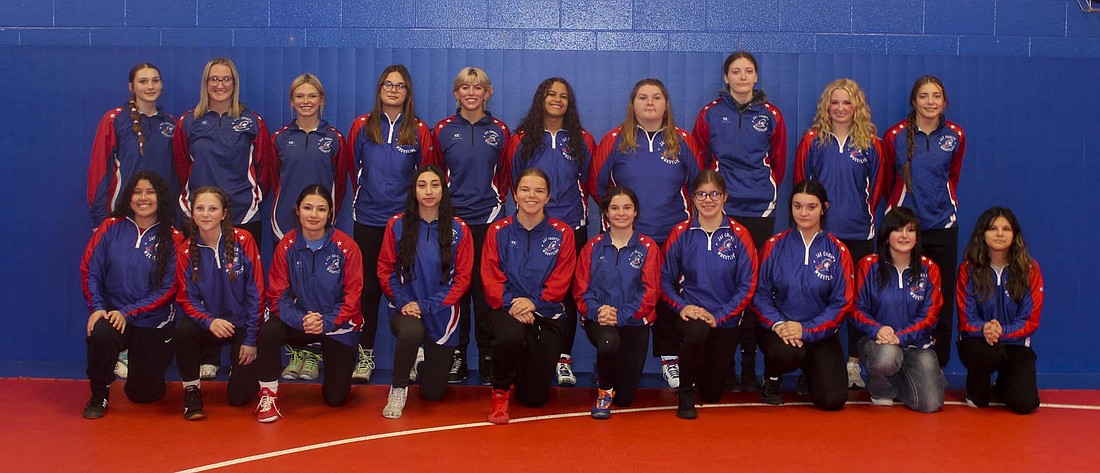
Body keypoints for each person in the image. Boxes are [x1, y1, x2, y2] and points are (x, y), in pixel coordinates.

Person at [589, 77, 704, 389]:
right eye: (643, 97)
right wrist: (622, 221)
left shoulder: (682, 140)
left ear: (666, 103)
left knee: (668, 297)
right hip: (627, 239)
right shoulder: (614, 139)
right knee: (625, 296)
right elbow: (597, 187)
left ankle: (669, 359)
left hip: (671, 235)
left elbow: (700, 185)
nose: (650, 103)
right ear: (633, 104)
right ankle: (613, 358)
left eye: (656, 97)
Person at [692, 51, 787, 392]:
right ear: (726, 78)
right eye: (736, 71)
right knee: (724, 285)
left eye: (749, 71)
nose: (743, 77)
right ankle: (725, 364)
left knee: (754, 286)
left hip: (760, 209)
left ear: (756, 77)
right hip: (722, 211)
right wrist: (715, 199)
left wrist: (763, 190)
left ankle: (750, 365)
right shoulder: (710, 114)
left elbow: (778, 164)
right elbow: (701, 161)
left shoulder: (772, 115)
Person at [174, 57, 274, 380]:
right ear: (205, 84)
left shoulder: (251, 121)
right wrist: (198, 208)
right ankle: (209, 353)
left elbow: (266, 169)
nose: (220, 85)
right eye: (213, 79)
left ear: (235, 83)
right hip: (198, 217)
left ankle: (241, 352)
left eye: (226, 79)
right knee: (204, 286)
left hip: (244, 215)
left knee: (239, 287)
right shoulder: (189, 121)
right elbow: (181, 166)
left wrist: (250, 199)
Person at [347, 64, 441, 382]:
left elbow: (425, 178)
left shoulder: (418, 129)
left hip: (404, 224)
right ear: (379, 89)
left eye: (400, 86)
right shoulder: (362, 126)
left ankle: (416, 354)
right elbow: (352, 169)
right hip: (369, 220)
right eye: (388, 84)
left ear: (408, 92)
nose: (393, 90)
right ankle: (365, 354)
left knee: (411, 286)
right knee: (370, 290)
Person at [86, 62, 179, 381]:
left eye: (155, 80)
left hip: (161, 220)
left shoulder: (171, 124)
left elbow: (178, 173)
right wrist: (100, 218)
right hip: (120, 216)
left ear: (162, 86)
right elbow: (99, 169)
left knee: (155, 280)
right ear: (131, 87)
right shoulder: (115, 120)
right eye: (143, 81)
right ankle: (119, 347)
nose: (150, 86)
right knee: (118, 279)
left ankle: (144, 346)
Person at [501, 77, 595, 387]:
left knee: (564, 296)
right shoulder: (522, 139)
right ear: (540, 98)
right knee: (526, 290)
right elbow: (515, 181)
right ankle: (527, 356)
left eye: (563, 96)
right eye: (551, 94)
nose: (557, 99)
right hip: (530, 228)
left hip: (570, 229)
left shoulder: (581, 139)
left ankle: (563, 358)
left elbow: (589, 183)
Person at [794, 78, 886, 389]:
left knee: (856, 301)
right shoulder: (812, 140)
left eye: (848, 102)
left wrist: (860, 217)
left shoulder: (872, 144)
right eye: (836, 102)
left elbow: (877, 190)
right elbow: (802, 187)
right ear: (827, 107)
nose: (841, 108)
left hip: (859, 233)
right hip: (821, 237)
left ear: (857, 106)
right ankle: (812, 367)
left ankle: (853, 365)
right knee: (817, 299)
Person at [81, 171, 183, 419]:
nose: (143, 198)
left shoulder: (174, 238)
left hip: (152, 322)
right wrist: (97, 307)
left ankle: (137, 362)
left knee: (144, 396)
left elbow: (169, 288)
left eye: (150, 192)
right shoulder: (110, 228)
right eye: (137, 192)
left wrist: (128, 312)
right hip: (113, 315)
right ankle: (99, 394)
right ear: (128, 197)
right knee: (102, 332)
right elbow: (90, 270)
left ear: (161, 198)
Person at [257, 185, 364, 423]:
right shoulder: (286, 246)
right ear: (297, 211)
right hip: (301, 322)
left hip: (337, 326)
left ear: (330, 214)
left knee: (336, 399)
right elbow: (277, 296)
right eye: (307, 208)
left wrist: (325, 321)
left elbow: (353, 296)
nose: (313, 215)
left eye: (321, 209)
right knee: (269, 329)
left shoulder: (347, 248)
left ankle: (335, 357)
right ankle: (268, 395)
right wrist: (301, 319)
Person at [433, 67, 511, 385]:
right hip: (453, 223)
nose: (471, 92)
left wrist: (497, 206)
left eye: (477, 87)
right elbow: (434, 177)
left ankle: (488, 356)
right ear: (456, 94)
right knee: (456, 291)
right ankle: (457, 356)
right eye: (464, 87)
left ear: (487, 94)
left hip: (489, 221)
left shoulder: (501, 131)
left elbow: (507, 173)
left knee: (486, 292)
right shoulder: (442, 130)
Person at [377, 165, 474, 418]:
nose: (428, 191)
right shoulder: (397, 225)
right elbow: (385, 270)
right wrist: (405, 302)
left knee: (433, 393)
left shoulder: (460, 229)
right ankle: (398, 389)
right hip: (405, 307)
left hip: (442, 313)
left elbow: (462, 280)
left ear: (444, 189)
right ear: (414, 190)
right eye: (422, 185)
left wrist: (426, 306)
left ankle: (419, 358)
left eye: (435, 185)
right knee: (411, 330)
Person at [270, 73, 350, 380]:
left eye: (312, 96)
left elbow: (340, 184)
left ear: (321, 101)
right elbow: (272, 178)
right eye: (300, 96)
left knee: (320, 290)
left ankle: (314, 352)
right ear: (292, 101)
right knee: (291, 292)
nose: (306, 101)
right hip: (285, 229)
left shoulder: (334, 139)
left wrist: (325, 218)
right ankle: (296, 352)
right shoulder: (279, 138)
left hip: (322, 230)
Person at [482, 169, 577, 424]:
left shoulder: (563, 233)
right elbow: (491, 277)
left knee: (534, 399)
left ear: (548, 197)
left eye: (539, 191)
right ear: (515, 194)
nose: (531, 196)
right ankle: (500, 393)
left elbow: (561, 278)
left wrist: (534, 301)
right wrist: (514, 303)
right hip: (507, 309)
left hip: (546, 312)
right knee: (510, 335)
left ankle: (523, 368)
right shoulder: (498, 231)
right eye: (525, 189)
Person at [883, 75, 965, 369]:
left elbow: (951, 178)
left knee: (938, 301)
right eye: (924, 96)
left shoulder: (955, 135)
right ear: (913, 101)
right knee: (899, 296)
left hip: (942, 227)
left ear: (944, 102)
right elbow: (886, 183)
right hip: (904, 231)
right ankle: (894, 362)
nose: (930, 102)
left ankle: (937, 366)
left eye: (936, 96)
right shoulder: (894, 136)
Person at [661, 171, 758, 419]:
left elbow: (747, 285)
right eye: (701, 194)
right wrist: (682, 306)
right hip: (692, 315)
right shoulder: (681, 233)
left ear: (724, 197)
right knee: (696, 331)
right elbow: (663, 280)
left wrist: (721, 315)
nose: (708, 199)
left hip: (725, 319)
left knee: (714, 393)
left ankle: (702, 375)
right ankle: (685, 393)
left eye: (714, 193)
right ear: (692, 198)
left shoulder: (740, 235)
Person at [753, 179, 854, 411]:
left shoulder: (838, 251)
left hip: (820, 333)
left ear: (823, 208)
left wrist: (807, 330)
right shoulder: (774, 245)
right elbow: (760, 295)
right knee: (787, 351)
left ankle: (811, 371)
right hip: (781, 332)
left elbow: (841, 303)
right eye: (797, 206)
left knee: (833, 400)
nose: (803, 213)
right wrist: (779, 324)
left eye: (811, 207)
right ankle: (773, 379)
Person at [174, 187, 265, 420]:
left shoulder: (244, 240)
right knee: (184, 329)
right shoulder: (185, 250)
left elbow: (256, 292)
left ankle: (242, 368)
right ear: (192, 213)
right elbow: (187, 298)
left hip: (241, 325)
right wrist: (209, 321)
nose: (206, 214)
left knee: (239, 398)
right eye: (200, 209)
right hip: (209, 325)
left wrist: (251, 339)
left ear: (224, 213)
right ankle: (192, 392)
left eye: (212, 209)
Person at [574, 186, 661, 419]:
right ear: (605, 213)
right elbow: (582, 291)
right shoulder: (592, 247)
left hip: (633, 321)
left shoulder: (648, 247)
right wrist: (599, 311)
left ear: (635, 212)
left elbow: (650, 292)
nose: (620, 213)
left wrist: (620, 315)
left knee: (625, 399)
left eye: (627, 208)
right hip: (599, 319)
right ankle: (603, 392)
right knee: (608, 342)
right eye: (614, 208)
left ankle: (605, 372)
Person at [849, 207, 945, 412]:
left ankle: (905, 377)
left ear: (917, 236)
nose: (904, 235)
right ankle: (882, 389)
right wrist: (878, 330)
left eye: (910, 230)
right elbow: (856, 309)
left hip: (917, 346)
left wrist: (901, 336)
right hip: (878, 343)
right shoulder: (867, 266)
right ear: (886, 234)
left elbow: (931, 316)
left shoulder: (930, 269)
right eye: (898, 230)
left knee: (930, 404)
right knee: (887, 358)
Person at [956, 207, 1043, 414]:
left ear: (1015, 235)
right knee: (987, 356)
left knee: (1025, 403)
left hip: (1016, 343)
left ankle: (1004, 385)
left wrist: (1001, 331)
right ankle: (975, 391)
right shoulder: (968, 269)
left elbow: (1030, 320)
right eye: (993, 228)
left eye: (1006, 229)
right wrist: (985, 328)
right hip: (978, 341)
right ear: (982, 235)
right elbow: (966, 318)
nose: (1000, 234)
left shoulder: (1029, 269)